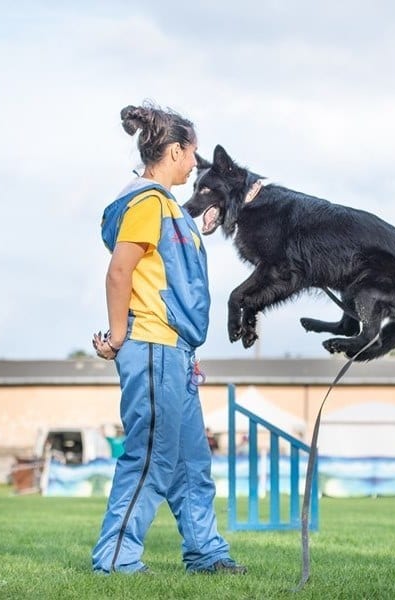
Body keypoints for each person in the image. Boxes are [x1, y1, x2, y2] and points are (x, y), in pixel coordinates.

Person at [91, 102, 246, 576]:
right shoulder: (146, 202)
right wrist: (119, 337)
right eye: (192, 155)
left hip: (174, 350)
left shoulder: (166, 208)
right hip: (151, 344)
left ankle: (206, 553)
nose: (195, 165)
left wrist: (201, 228)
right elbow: (120, 272)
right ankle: (116, 560)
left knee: (191, 463)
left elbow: (169, 270)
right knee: (152, 458)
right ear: (175, 151)